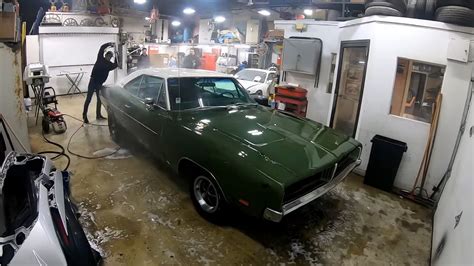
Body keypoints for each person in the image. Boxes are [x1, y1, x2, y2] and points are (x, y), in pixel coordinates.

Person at [83, 42, 118, 124]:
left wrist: (116, 54)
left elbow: (116, 65)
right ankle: (84, 116)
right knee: (88, 99)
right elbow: (102, 47)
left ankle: (98, 115)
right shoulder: (100, 58)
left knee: (99, 100)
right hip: (93, 81)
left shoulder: (110, 65)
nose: (109, 58)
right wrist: (109, 44)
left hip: (99, 84)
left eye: (110, 57)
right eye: (108, 56)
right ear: (105, 55)